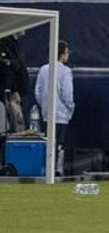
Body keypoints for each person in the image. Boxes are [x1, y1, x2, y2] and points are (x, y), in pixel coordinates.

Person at [33, 41, 73, 171]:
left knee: (49, 143)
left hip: (47, 114)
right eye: (67, 52)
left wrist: (45, 105)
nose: (68, 55)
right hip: (61, 115)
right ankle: (55, 171)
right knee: (59, 145)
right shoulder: (66, 71)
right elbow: (67, 94)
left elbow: (38, 92)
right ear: (62, 54)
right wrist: (70, 108)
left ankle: (46, 169)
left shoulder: (43, 69)